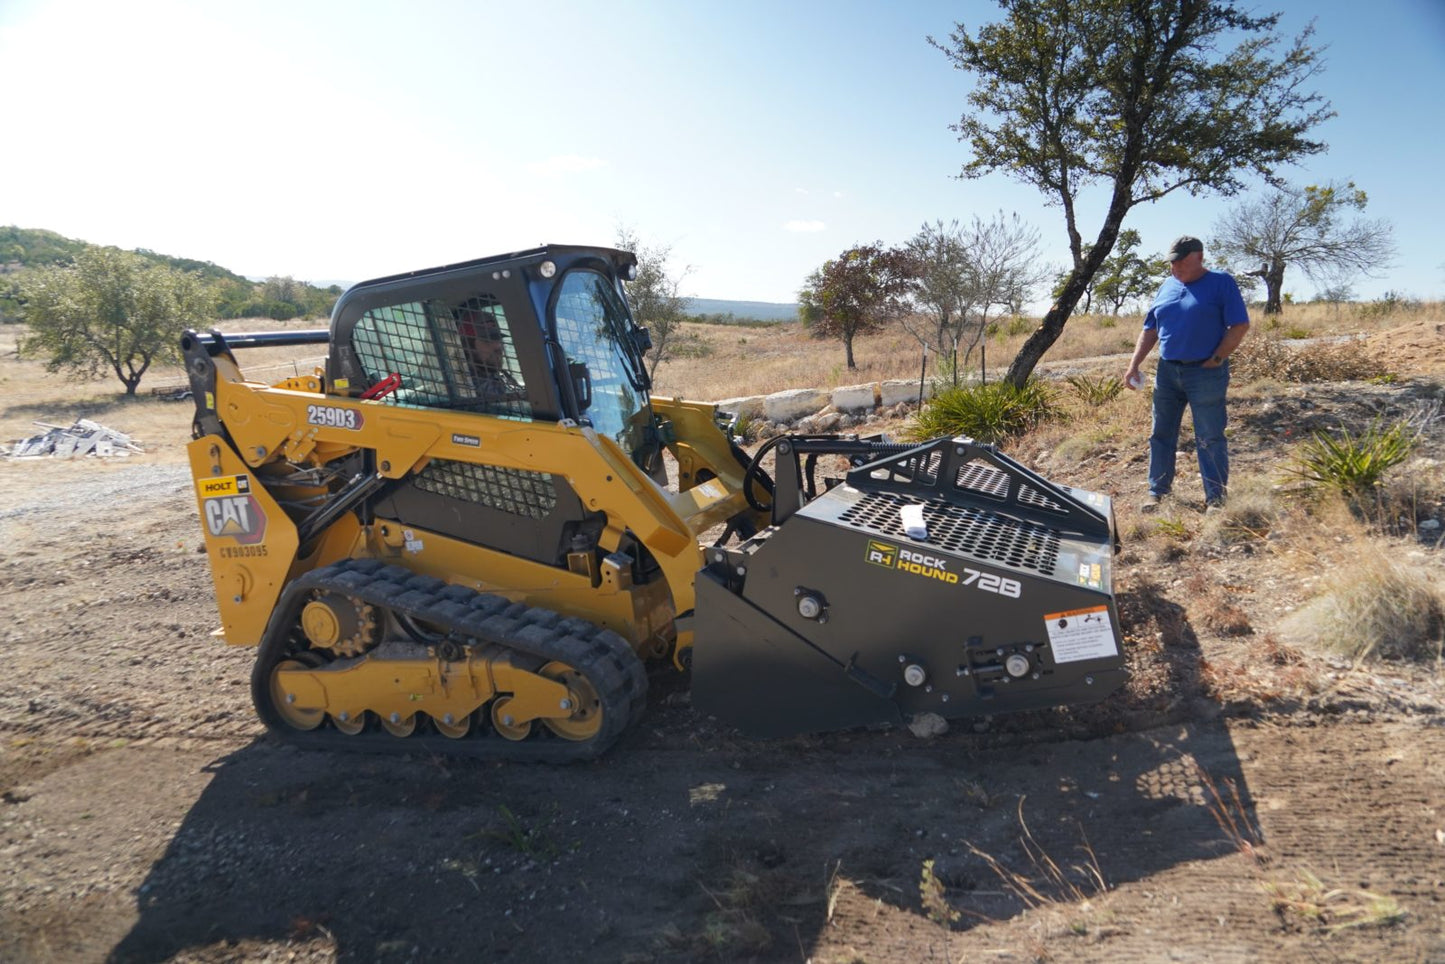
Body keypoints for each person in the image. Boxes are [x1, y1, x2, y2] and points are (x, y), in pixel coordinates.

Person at [1123, 235, 1250, 512]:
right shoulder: (1166, 286)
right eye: (1172, 262)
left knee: (1209, 436)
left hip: (1205, 372)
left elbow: (1239, 325)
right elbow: (1150, 329)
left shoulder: (1221, 282)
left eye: (1181, 261)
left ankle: (1215, 499)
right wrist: (1134, 365)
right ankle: (1157, 492)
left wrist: (1217, 357)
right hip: (1167, 372)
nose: (1175, 267)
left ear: (1199, 257)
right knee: (1161, 433)